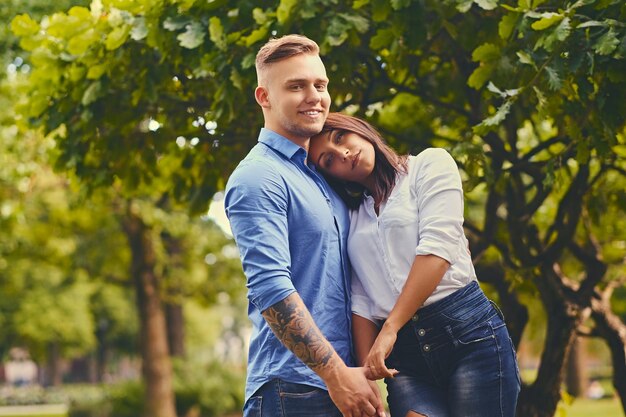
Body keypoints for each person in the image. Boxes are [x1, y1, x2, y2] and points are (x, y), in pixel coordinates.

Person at [308, 113, 522, 417]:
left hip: (468, 336)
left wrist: (390, 328)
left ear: (358, 129)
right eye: (329, 160)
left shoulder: (429, 165)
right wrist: (365, 375)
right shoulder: (354, 216)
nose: (343, 153)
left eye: (340, 137)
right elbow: (361, 299)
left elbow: (438, 248)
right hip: (406, 360)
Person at [224, 36, 385, 417]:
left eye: (320, 85)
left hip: (343, 385)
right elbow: (269, 287)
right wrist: (335, 375)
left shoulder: (322, 173)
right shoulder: (258, 177)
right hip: (293, 391)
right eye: (296, 86)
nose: (314, 96)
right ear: (264, 97)